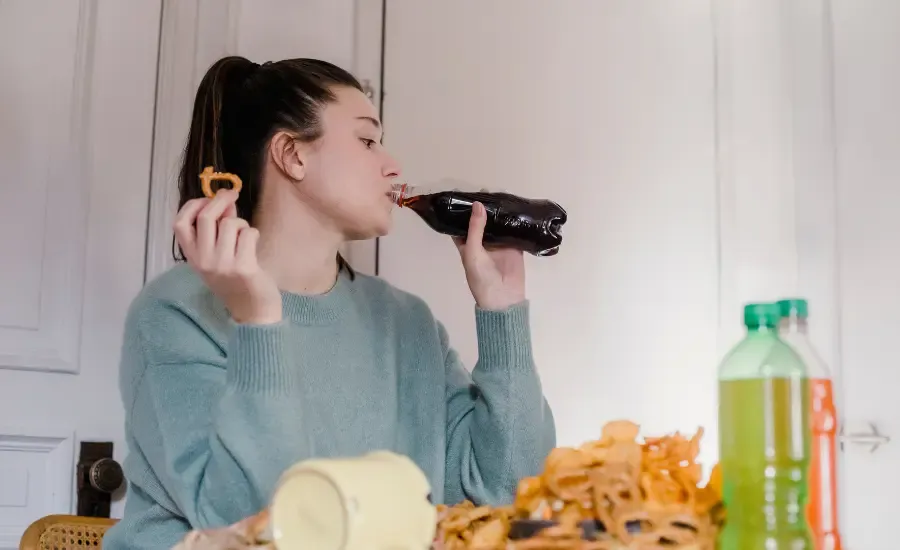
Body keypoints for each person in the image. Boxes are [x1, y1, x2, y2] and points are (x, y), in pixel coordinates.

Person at [102, 56, 556, 550]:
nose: (392, 164)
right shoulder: (176, 313)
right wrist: (258, 320)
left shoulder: (406, 323)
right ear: (291, 155)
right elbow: (255, 523)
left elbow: (508, 494)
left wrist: (502, 314)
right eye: (367, 140)